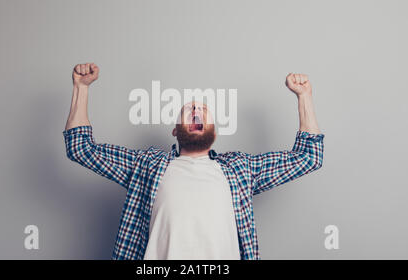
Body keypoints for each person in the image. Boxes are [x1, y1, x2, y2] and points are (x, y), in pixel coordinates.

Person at [63, 63, 325, 260]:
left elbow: (308, 157)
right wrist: (81, 88)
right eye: (189, 110)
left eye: (203, 111)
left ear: (215, 131)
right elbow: (81, 148)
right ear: (175, 130)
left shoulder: (240, 169)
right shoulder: (147, 165)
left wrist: (305, 96)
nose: (197, 111)